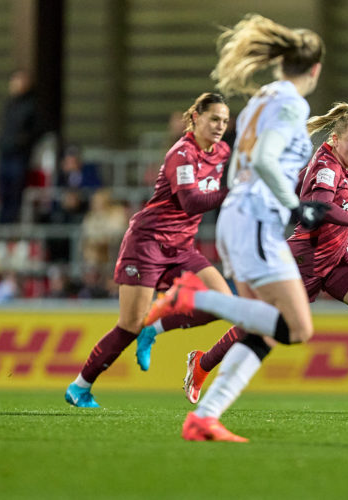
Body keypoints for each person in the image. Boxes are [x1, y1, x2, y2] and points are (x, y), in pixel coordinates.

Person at [145, 101, 348, 441]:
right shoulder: (329, 167)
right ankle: (202, 363)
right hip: (306, 260)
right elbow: (321, 207)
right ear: (334, 139)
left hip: (337, 258)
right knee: (263, 325)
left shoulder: (338, 162)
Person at [141, 14, 331, 442]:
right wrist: (296, 206)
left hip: (236, 215)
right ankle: (192, 296)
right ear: (314, 69)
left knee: (261, 331)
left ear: (282, 64)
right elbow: (264, 159)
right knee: (298, 329)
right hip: (258, 218)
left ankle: (204, 417)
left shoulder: (262, 98)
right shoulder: (291, 104)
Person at [64, 92, 233, 408]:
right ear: (195, 118)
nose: (220, 126)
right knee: (128, 324)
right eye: (214, 119)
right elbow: (191, 202)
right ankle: (79, 387)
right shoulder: (181, 154)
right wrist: (233, 191)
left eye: (224, 120)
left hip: (182, 246)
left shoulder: (222, 151)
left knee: (224, 303)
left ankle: (153, 329)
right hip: (148, 244)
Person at [0, 69, 41, 224]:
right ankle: (2, 231)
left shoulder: (31, 106)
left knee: (15, 197)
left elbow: (37, 131)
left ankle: (11, 232)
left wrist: (22, 141)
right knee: (3, 195)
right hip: (5, 153)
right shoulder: (9, 104)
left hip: (19, 156)